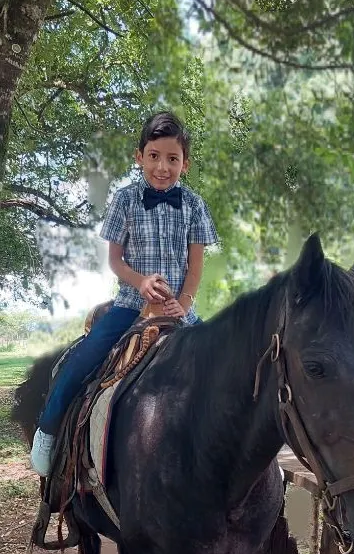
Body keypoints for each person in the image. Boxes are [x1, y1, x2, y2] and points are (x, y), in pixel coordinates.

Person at [30, 110, 219, 477]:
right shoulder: (125, 199)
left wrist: (184, 302)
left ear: (185, 164)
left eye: (172, 159)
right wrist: (141, 282)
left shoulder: (194, 205)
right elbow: (115, 260)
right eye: (154, 156)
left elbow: (195, 265)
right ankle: (49, 431)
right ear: (139, 157)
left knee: (220, 360)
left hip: (178, 309)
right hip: (131, 306)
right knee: (83, 359)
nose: (162, 167)